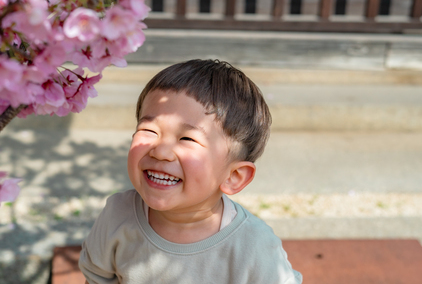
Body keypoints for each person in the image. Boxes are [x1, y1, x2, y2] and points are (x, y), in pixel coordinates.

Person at [79, 59, 302, 284]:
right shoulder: (117, 215)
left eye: (187, 138)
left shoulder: (254, 246)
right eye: (148, 130)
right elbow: (96, 279)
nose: (161, 151)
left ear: (233, 177)